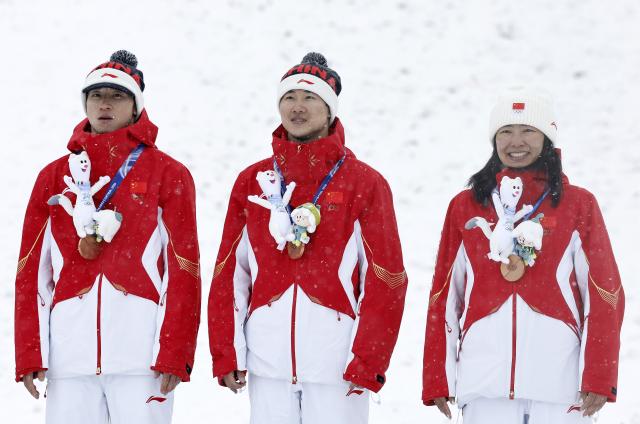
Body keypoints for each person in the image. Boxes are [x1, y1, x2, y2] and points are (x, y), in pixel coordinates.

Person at [208, 52, 408, 424]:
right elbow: (229, 274)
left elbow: (386, 279)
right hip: (267, 361)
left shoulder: (365, 184)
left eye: (309, 98)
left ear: (330, 109)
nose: (297, 108)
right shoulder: (252, 181)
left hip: (338, 366)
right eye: (289, 98)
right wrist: (227, 352)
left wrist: (366, 359)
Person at [14, 50, 201, 424]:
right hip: (70, 359)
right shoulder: (53, 176)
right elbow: (31, 271)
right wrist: (31, 353)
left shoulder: (169, 174)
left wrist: (174, 350)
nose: (104, 103)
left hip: (142, 357)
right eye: (96, 95)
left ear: (136, 106)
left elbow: (185, 270)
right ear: (84, 103)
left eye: (117, 96)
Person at [422, 89, 624, 423]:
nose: (517, 141)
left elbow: (605, 293)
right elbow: (444, 296)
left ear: (547, 138)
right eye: (506, 131)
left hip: (560, 387)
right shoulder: (466, 206)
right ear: (494, 140)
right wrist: (437, 376)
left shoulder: (578, 205)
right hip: (484, 385)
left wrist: (599, 376)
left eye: (528, 130)